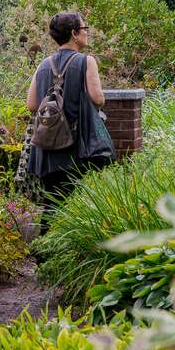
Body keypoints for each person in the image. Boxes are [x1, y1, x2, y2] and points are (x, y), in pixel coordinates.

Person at [25, 11, 115, 217]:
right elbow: (98, 98)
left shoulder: (44, 64)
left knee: (53, 201)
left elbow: (31, 105)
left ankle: (45, 244)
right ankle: (48, 245)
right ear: (74, 33)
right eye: (85, 29)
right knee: (71, 200)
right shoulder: (86, 62)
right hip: (77, 146)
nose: (87, 33)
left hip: (48, 145)